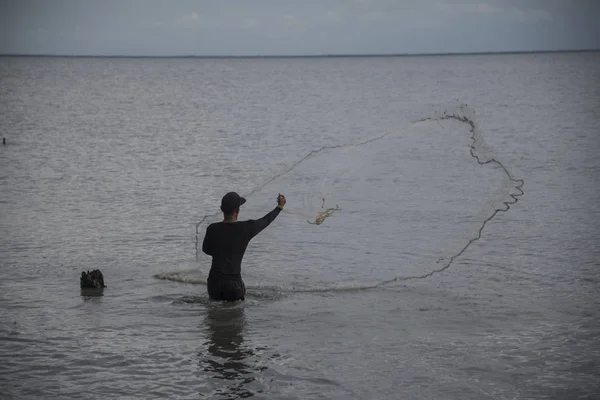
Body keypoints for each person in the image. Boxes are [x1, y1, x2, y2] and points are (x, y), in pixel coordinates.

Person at [202, 191, 286, 301]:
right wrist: (279, 207)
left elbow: (206, 249)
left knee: (214, 313)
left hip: (214, 282)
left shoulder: (212, 228)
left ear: (222, 210)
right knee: (236, 314)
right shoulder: (246, 228)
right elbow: (265, 221)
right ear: (237, 211)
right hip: (233, 284)